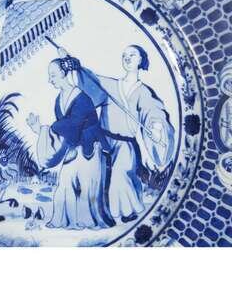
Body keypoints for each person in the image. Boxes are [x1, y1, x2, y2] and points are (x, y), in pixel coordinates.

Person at [57, 44, 175, 225]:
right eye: (124, 55)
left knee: (121, 174)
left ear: (141, 60)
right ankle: (101, 213)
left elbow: (153, 110)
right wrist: (71, 62)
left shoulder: (143, 91)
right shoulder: (110, 85)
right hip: (103, 139)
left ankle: (127, 211)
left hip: (126, 143)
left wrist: (157, 127)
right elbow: (91, 81)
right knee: (100, 176)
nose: (127, 58)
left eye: (132, 55)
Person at [26, 58, 110, 229]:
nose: (50, 80)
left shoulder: (82, 98)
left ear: (64, 73)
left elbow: (73, 124)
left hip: (89, 146)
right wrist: (41, 130)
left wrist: (46, 129)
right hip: (73, 146)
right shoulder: (59, 99)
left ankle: (87, 221)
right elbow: (64, 129)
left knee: (87, 185)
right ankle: (65, 220)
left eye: (53, 75)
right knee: (65, 182)